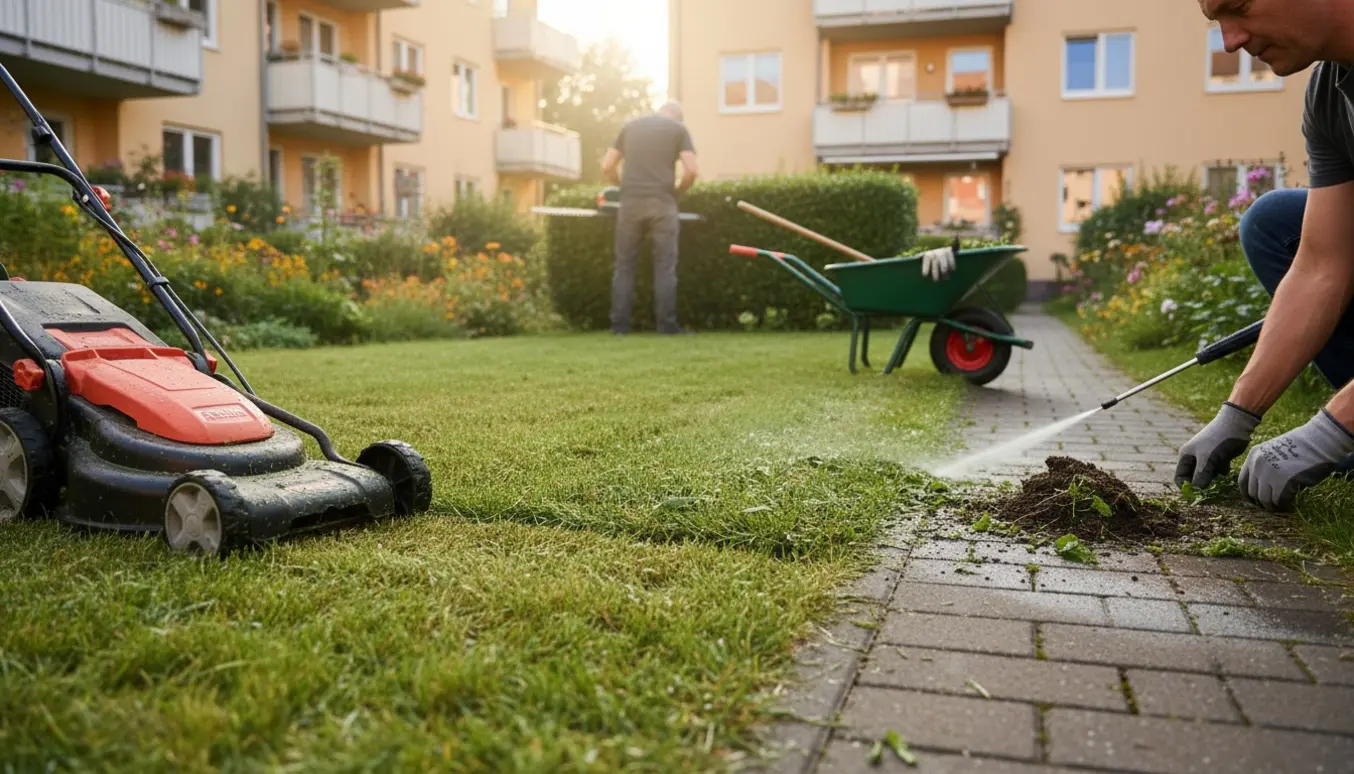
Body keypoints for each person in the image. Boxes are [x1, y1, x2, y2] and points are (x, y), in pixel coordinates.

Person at [1176, 0, 1354, 511]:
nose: (1230, 42)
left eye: (1238, 8)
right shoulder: (1328, 95)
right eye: (1217, 22)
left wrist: (1329, 432)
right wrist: (1237, 414)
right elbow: (1323, 265)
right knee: (1275, 223)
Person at [600, 101, 699, 335]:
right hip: (662, 203)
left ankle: (619, 327)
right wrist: (678, 192)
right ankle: (666, 326)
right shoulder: (678, 129)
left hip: (630, 203)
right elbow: (692, 170)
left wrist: (621, 185)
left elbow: (607, 165)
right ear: (678, 117)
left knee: (624, 266)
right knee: (665, 266)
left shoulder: (630, 127)